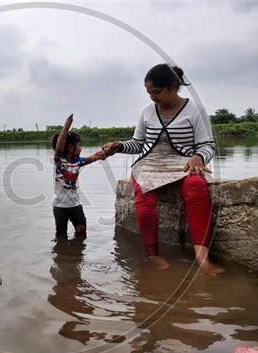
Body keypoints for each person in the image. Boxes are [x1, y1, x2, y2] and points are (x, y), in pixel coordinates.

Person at [103, 64, 224, 275]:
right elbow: (138, 144)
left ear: (172, 87)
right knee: (145, 195)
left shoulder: (195, 110)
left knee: (196, 185)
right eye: (149, 93)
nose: (152, 98)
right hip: (150, 163)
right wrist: (120, 146)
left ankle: (202, 257)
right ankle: (153, 254)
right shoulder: (147, 112)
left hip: (184, 162)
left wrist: (197, 157)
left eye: (156, 92)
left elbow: (207, 145)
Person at [52, 113, 109, 240]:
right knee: (61, 235)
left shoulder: (78, 162)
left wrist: (107, 152)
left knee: (81, 229)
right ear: (71, 148)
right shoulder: (59, 161)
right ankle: (62, 253)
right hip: (60, 206)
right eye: (79, 145)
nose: (81, 148)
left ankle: (75, 252)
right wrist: (65, 129)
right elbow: (59, 149)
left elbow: (94, 156)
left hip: (75, 204)